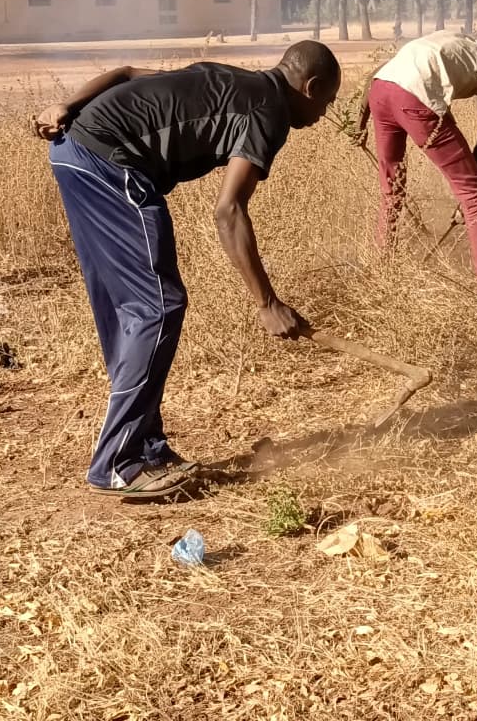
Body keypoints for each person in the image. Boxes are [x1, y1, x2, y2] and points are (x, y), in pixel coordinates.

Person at [31, 41, 342, 500]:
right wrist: (267, 303)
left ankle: (147, 448)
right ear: (311, 87)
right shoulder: (269, 112)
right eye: (327, 102)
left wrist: (66, 104)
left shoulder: (229, 76)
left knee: (129, 309)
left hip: (74, 151)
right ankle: (119, 462)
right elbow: (228, 211)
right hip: (109, 163)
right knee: (157, 306)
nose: (323, 115)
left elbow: (128, 70)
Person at [359, 30, 477, 291]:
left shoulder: (454, 37)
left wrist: (360, 120)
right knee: (475, 193)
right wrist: (465, 199)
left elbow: (381, 70)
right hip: (414, 98)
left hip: (380, 90)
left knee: (392, 189)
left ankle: (381, 273)